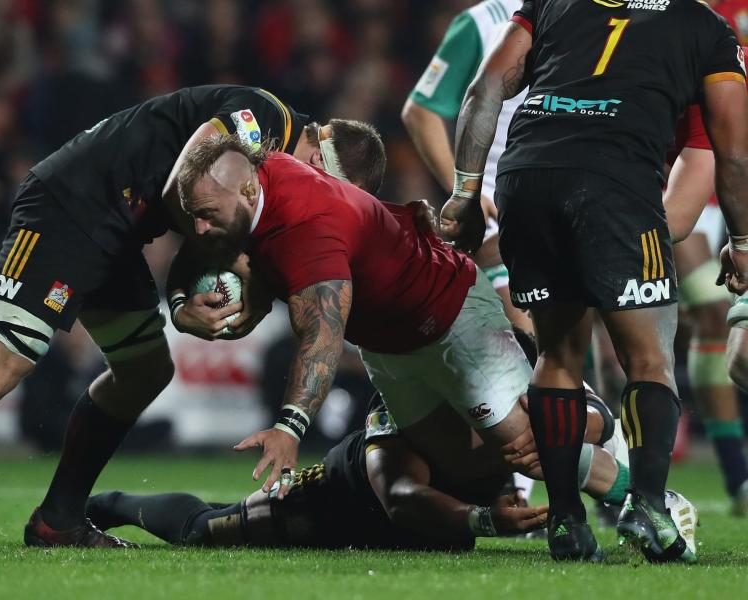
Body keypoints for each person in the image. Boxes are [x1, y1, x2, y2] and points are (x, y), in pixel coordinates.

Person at [0, 85, 386, 552]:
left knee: (145, 369)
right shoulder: (266, 118)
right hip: (69, 204)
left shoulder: (272, 169)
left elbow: (198, 218)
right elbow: (195, 178)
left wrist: (181, 302)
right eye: (324, 187)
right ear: (320, 155)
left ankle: (58, 519)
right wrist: (243, 264)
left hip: (116, 231)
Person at [172, 135, 604, 555]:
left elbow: (322, 334)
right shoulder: (262, 188)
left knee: (526, 446)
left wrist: (288, 428)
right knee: (489, 457)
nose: (199, 226)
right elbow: (399, 495)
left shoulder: (308, 224)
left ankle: (642, 492)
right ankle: (617, 463)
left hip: (442, 319)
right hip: (380, 381)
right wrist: (486, 519)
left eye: (207, 213)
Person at [440, 0, 748, 563]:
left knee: (557, 356)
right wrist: (745, 241)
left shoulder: (552, 4)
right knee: (649, 359)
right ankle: (649, 508)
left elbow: (483, 92)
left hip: (526, 178)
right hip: (618, 182)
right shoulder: (707, 26)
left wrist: (464, 192)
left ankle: (565, 522)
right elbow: (734, 151)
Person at [86, 381, 639, 551]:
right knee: (207, 530)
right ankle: (103, 506)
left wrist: (554, 435)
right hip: (342, 499)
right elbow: (397, 495)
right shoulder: (402, 400)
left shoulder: (513, 374)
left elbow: (596, 416)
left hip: (432, 523)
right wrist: (485, 519)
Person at [401, 0, 532, 338]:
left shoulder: (595, 14)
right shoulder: (484, 21)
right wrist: (466, 191)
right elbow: (421, 110)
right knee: (533, 349)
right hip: (495, 206)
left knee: (608, 354)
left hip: (571, 194)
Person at [663, 85, 748, 516]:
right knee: (714, 311)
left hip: (738, 195)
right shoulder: (659, 19)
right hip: (682, 182)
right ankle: (738, 476)